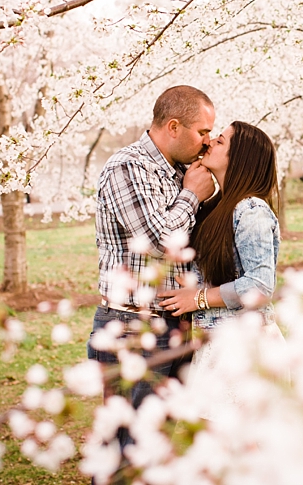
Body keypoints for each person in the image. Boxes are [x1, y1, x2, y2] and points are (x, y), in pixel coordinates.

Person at [87, 85, 217, 456]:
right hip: (132, 326)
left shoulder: (181, 171)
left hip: (174, 323)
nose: (207, 142)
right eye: (202, 132)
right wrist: (192, 194)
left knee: (154, 446)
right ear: (173, 127)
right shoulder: (129, 167)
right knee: (128, 445)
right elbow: (160, 241)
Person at [156, 121, 284, 417]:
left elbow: (259, 286)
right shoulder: (217, 208)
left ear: (240, 158)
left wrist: (197, 298)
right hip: (218, 345)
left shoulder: (251, 211)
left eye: (221, 141)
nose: (210, 141)